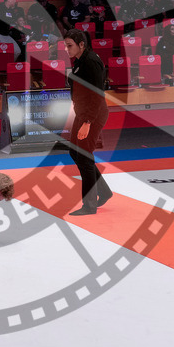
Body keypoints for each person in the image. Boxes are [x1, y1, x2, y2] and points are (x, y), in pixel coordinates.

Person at [63, 30, 112, 216]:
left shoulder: (91, 61)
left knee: (83, 155)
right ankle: (104, 191)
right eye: (66, 45)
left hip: (93, 115)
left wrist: (88, 122)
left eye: (70, 45)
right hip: (83, 113)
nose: (67, 49)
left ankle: (89, 205)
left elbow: (96, 95)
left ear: (81, 44)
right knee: (75, 152)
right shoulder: (81, 59)